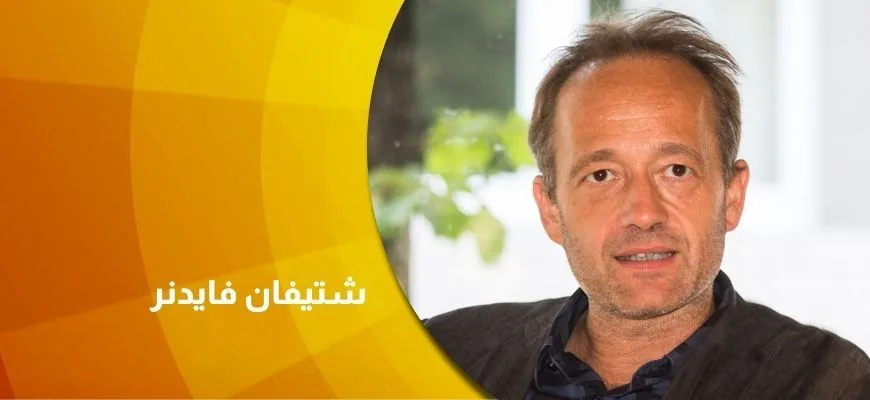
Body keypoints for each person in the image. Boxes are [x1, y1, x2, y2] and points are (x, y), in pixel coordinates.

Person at [422, 9, 870, 400]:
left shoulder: (825, 383)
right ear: (550, 209)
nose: (643, 213)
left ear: (732, 196)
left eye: (676, 170)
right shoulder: (440, 354)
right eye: (602, 175)